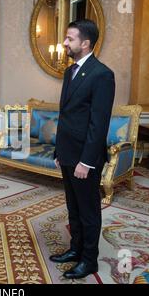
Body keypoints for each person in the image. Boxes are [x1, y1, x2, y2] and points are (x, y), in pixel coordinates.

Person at [50, 19, 115, 279]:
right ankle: (75, 250)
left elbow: (98, 124)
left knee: (88, 211)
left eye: (70, 38)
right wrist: (59, 151)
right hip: (67, 153)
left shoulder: (102, 74)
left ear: (85, 43)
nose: (65, 43)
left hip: (85, 158)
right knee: (73, 206)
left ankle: (89, 260)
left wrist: (87, 161)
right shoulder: (70, 71)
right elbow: (66, 115)